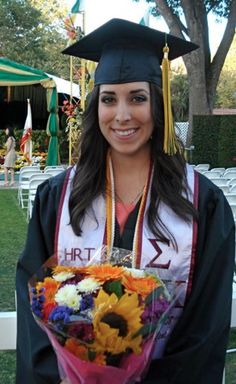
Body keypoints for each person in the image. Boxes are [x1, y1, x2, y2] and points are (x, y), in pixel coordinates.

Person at [16, 18, 235, 384]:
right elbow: (31, 310)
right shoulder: (57, 199)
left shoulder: (202, 203)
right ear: (95, 107)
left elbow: (206, 327)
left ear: (159, 104)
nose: (122, 115)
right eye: (108, 99)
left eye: (137, 98)